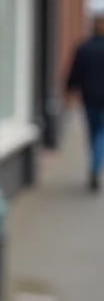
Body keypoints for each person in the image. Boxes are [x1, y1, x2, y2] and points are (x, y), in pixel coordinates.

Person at [65, 10, 104, 191]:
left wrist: (69, 90)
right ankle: (95, 167)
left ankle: (94, 166)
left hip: (89, 98)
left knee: (93, 131)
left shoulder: (84, 47)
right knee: (101, 134)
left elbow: (74, 73)